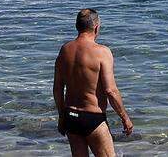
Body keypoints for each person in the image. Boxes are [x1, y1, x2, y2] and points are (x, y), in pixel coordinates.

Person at [54, 9, 133, 157]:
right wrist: (125, 118)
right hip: (93, 118)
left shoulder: (64, 50)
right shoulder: (102, 52)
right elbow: (111, 91)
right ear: (96, 27)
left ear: (77, 26)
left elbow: (58, 89)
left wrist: (62, 116)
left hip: (71, 117)